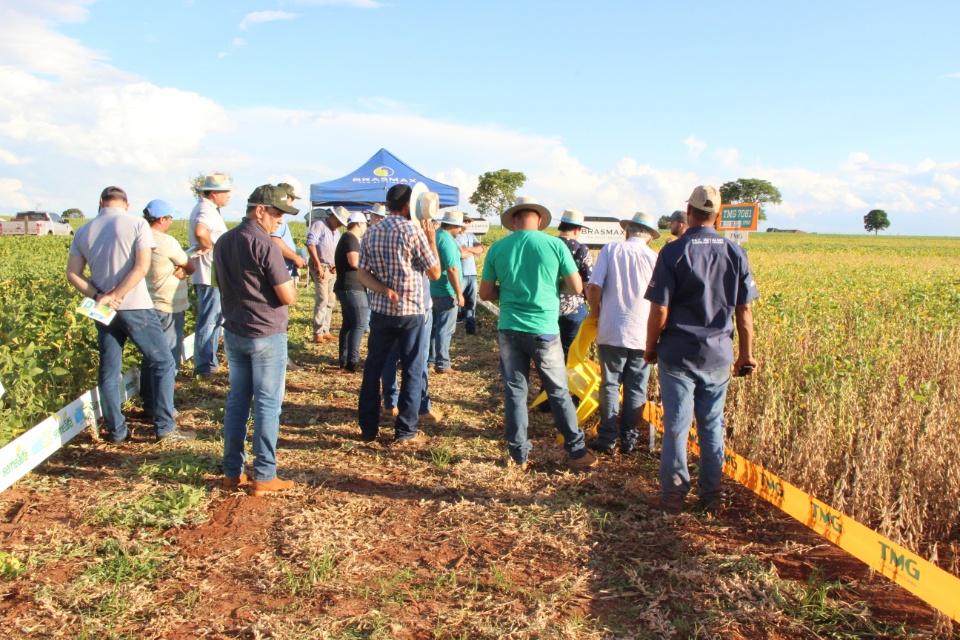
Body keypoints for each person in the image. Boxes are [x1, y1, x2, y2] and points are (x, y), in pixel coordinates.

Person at [644, 185, 759, 514]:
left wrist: (651, 347)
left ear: (689, 212)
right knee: (712, 426)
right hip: (719, 355)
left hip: (678, 354)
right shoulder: (735, 253)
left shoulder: (673, 251)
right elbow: (744, 311)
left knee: (677, 427)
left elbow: (660, 310)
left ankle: (673, 497)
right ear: (718, 215)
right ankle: (712, 497)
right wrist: (746, 354)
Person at [66, 186, 194, 444]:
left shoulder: (83, 230)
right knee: (163, 362)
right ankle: (165, 428)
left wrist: (99, 296)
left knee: (109, 370)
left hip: (103, 309)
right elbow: (141, 266)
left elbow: (72, 273)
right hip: (134, 304)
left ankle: (117, 432)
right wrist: (119, 294)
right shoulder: (137, 224)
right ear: (126, 204)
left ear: (101, 202)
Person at [479, 197, 596, 471]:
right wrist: (552, 289)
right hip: (544, 329)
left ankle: (518, 453)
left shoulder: (498, 247)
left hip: (509, 327)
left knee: (515, 391)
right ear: (540, 220)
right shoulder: (555, 245)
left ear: (513, 221)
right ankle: (576, 451)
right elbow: (577, 286)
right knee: (558, 391)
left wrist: (508, 293)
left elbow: (485, 293)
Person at [214, 185, 299, 496]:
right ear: (259, 210)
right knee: (267, 405)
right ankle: (264, 475)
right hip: (266, 333)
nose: (280, 221)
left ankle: (231, 472)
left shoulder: (223, 241)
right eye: (277, 214)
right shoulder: (266, 245)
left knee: (237, 402)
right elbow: (286, 294)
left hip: (235, 331)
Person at [357, 184, 441, 445]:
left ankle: (368, 429)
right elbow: (435, 273)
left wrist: (384, 289)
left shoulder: (371, 232)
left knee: (373, 368)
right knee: (413, 370)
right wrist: (431, 241)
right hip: (411, 311)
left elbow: (362, 273)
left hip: (381, 311)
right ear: (407, 206)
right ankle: (405, 431)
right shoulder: (413, 231)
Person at [586, 211, 659, 455]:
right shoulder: (655, 258)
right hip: (643, 332)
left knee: (609, 384)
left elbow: (594, 285)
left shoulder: (610, 250)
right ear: (649, 238)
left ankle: (607, 438)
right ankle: (629, 438)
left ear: (626, 231)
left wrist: (595, 311)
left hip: (612, 328)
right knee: (636, 388)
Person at [140, 200, 195, 419]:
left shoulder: (138, 237)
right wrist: (182, 266)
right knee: (168, 358)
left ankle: (150, 404)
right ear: (162, 219)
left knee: (150, 357)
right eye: (170, 218)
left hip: (145, 304)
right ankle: (166, 410)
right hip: (168, 306)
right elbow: (190, 266)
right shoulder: (166, 241)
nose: (171, 221)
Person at [188, 173, 232, 378]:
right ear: (214, 193)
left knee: (215, 318)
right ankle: (204, 366)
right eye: (226, 192)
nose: (229, 196)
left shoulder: (209, 208)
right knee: (209, 319)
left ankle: (210, 362)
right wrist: (212, 247)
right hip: (208, 273)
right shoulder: (206, 209)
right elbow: (200, 232)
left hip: (211, 273)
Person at [271, 183, 309, 371]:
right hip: (280, 273)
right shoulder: (277, 221)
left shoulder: (280, 220)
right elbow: (275, 241)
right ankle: (281, 359)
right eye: (291, 198)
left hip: (284, 270)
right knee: (279, 319)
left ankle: (281, 357)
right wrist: (295, 257)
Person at [429, 210, 466, 374]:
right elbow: (451, 268)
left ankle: (430, 359)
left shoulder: (435, 235)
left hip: (433, 289)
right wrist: (459, 293)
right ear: (453, 226)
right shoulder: (447, 241)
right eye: (459, 227)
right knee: (445, 329)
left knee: (434, 327)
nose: (460, 231)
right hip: (446, 290)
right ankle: (442, 364)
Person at [556, 210, 593, 361]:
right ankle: (567, 383)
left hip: (548, 306)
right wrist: (594, 309)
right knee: (571, 353)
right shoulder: (580, 249)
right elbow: (588, 282)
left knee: (549, 353)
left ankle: (548, 384)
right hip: (573, 308)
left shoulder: (548, 244)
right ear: (577, 230)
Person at [306, 207, 347, 344]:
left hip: (331, 269)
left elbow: (338, 249)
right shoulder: (319, 225)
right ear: (334, 217)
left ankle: (326, 330)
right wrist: (317, 264)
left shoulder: (336, 232)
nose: (341, 225)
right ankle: (318, 332)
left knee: (330, 300)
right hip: (321, 268)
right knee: (322, 299)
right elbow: (311, 244)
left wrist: (337, 264)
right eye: (340, 222)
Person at [334, 212, 369, 371]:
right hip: (353, 287)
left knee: (349, 324)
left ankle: (345, 360)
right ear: (360, 223)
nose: (366, 227)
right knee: (359, 324)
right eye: (366, 224)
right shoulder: (351, 238)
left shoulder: (346, 237)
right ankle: (353, 362)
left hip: (346, 286)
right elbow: (354, 261)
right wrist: (370, 268)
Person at [455, 213, 483, 334]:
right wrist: (472, 251)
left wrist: (468, 249)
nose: (467, 224)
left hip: (472, 274)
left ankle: (470, 328)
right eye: (465, 221)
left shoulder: (471, 236)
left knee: (472, 302)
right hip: (461, 273)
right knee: (457, 300)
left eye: (468, 222)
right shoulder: (454, 237)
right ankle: (455, 325)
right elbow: (461, 254)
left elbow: (481, 249)